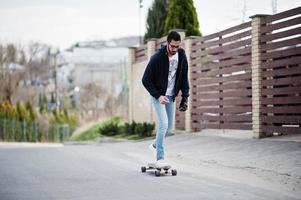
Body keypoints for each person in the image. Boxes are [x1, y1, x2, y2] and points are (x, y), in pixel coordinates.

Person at [142, 31, 189, 167]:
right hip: (158, 94)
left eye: (177, 46)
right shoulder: (157, 58)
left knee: (169, 128)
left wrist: (185, 97)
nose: (175, 49)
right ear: (167, 43)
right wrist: (158, 95)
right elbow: (145, 80)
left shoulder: (181, 56)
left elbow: (184, 78)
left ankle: (155, 146)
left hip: (170, 95)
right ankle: (160, 158)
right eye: (173, 46)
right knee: (163, 124)